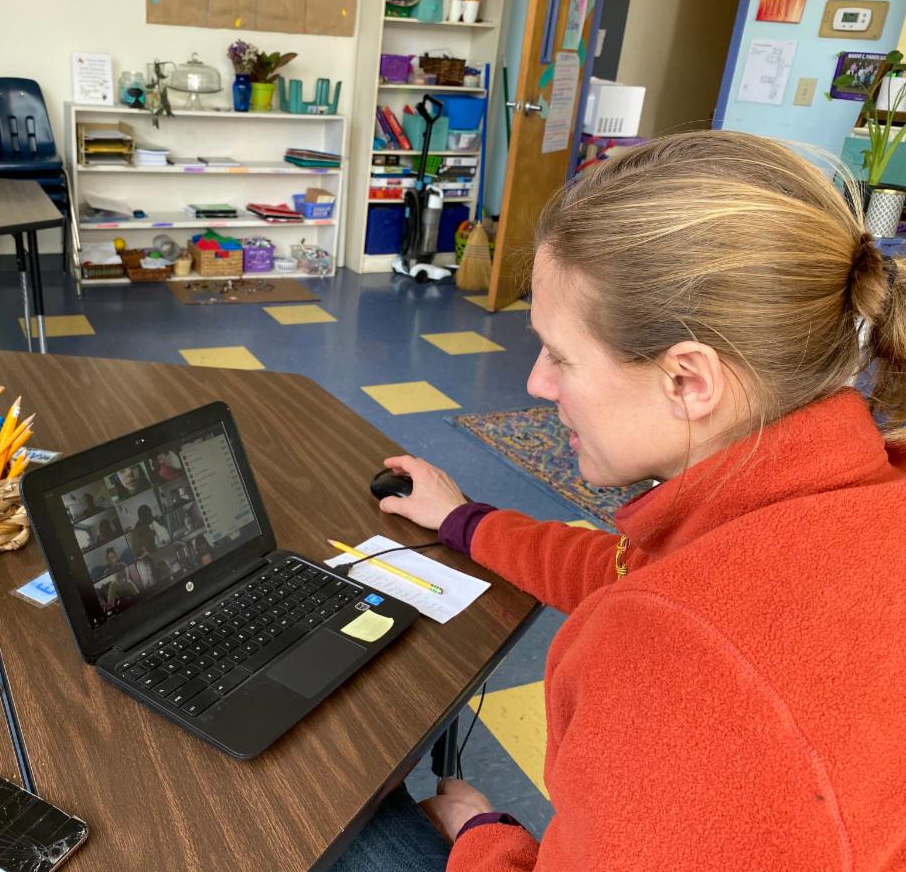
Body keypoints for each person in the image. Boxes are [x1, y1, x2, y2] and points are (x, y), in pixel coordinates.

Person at [335, 131, 906, 871]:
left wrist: (482, 836)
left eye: (561, 356)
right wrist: (463, 520)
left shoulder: (676, 664)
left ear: (688, 380)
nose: (537, 383)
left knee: (343, 812)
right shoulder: (854, 495)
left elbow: (663, 612)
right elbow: (639, 574)